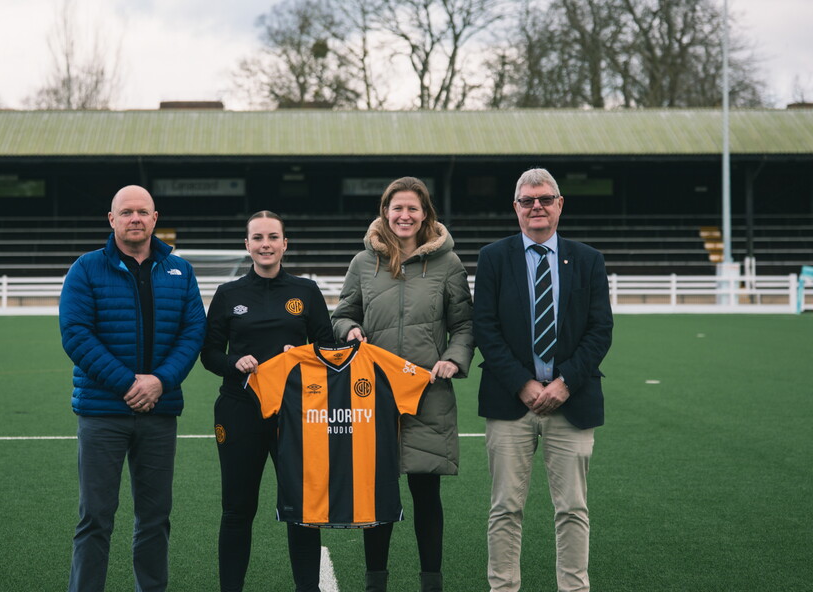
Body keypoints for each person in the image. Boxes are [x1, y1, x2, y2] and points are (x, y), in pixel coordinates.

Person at [59, 185, 206, 592]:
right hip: (101, 413)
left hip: (159, 413)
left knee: (156, 518)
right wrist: (129, 384)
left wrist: (160, 381)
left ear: (155, 218)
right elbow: (75, 335)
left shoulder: (181, 271)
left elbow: (193, 333)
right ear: (112, 220)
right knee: (96, 519)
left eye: (143, 211)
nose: (135, 218)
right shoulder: (86, 269)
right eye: (126, 212)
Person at [473, 168, 613, 592]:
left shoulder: (588, 259)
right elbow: (485, 328)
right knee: (505, 508)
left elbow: (600, 329)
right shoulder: (493, 257)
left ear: (559, 205)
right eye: (528, 200)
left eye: (545, 199)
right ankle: (503, 588)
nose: (537, 206)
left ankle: (574, 588)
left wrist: (565, 383)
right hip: (509, 402)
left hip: (572, 403)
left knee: (572, 508)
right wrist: (524, 383)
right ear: (515, 208)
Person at [331, 176, 474, 592]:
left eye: (413, 208)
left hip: (428, 394)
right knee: (377, 497)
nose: (404, 215)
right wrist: (350, 330)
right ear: (385, 212)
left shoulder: (448, 264)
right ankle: (376, 583)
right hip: (372, 394)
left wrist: (452, 358)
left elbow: (464, 325)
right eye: (397, 208)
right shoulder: (363, 263)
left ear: (425, 213)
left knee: (426, 492)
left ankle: (432, 582)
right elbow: (341, 314)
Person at [200, 211, 334, 592]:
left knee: (302, 509)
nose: (265, 244)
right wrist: (233, 362)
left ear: (284, 244)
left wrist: (305, 353)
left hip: (294, 414)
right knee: (237, 510)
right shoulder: (229, 294)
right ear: (247, 245)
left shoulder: (306, 291)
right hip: (240, 411)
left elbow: (329, 349)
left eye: (273, 237)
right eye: (257, 237)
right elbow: (209, 353)